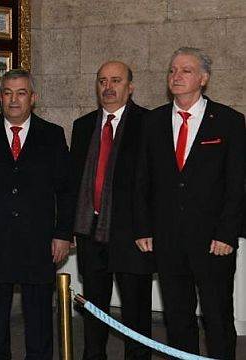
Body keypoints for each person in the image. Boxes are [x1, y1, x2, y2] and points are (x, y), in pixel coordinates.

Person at [134, 47, 245, 359]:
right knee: (178, 317)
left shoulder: (229, 121)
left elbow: (237, 184)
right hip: (167, 239)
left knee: (217, 316)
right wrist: (143, 227)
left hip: (213, 241)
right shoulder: (152, 121)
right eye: (172, 70)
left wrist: (226, 234)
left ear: (204, 78)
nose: (176, 76)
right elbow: (142, 179)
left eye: (185, 70)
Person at [0, 69, 74, 360]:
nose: (14, 99)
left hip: (38, 241)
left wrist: (63, 234)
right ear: (0, 98)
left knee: (38, 318)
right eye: (8, 93)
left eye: (21, 93)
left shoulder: (52, 135)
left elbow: (66, 191)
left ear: (32, 98)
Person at [71, 61, 153, 360]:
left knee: (136, 311)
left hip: (133, 235)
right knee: (93, 308)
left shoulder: (149, 123)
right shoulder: (82, 126)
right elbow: (75, 183)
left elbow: (155, 182)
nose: (108, 87)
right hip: (90, 233)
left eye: (116, 80)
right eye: (102, 80)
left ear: (130, 87)